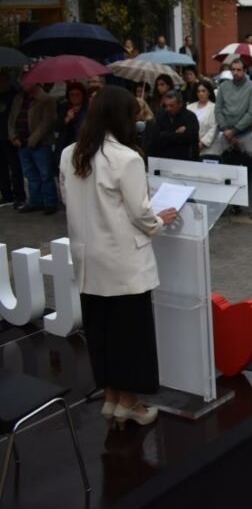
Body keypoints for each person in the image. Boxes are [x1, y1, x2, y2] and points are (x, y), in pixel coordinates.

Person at [59, 85, 179, 428]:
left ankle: (111, 398)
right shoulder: (126, 158)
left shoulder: (70, 153)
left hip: (88, 259)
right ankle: (130, 403)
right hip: (124, 261)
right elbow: (140, 214)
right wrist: (160, 220)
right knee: (130, 337)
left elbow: (67, 198)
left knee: (101, 334)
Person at [203, 58, 252, 218]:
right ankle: (232, 204)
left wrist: (235, 130)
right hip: (227, 134)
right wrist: (225, 129)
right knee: (228, 170)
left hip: (247, 133)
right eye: (233, 69)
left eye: (239, 70)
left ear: (245, 71)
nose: (235, 72)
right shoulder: (224, 87)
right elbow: (218, 110)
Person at [9, 81, 57, 214]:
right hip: (21, 142)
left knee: (45, 173)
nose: (23, 84)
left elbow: (47, 122)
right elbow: (12, 119)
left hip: (41, 143)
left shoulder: (46, 99)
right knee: (30, 174)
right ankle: (36, 201)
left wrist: (33, 140)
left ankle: (50, 202)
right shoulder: (19, 98)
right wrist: (13, 136)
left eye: (26, 82)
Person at [147, 90, 200, 161]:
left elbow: (191, 137)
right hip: (163, 158)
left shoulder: (190, 117)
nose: (168, 109)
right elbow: (156, 138)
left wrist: (166, 135)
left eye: (171, 106)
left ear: (180, 104)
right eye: (166, 106)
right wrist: (175, 134)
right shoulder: (161, 116)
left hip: (185, 159)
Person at [0, 71, 24, 206]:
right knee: (1, 168)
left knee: (15, 167)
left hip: (10, 135)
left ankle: (19, 195)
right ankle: (6, 194)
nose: (2, 84)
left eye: (4, 80)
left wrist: (14, 135)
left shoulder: (15, 95)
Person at [188, 81, 217, 156]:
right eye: (198, 91)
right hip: (190, 146)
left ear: (209, 92)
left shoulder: (214, 108)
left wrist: (203, 143)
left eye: (203, 91)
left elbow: (214, 127)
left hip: (207, 148)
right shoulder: (189, 107)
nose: (201, 94)